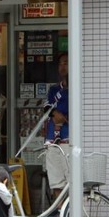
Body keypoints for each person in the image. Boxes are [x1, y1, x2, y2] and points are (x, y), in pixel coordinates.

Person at [43, 52, 69, 199]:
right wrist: (54, 114)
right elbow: (47, 107)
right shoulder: (54, 89)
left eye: (66, 63)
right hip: (52, 139)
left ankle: (72, 213)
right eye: (60, 64)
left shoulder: (77, 88)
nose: (62, 67)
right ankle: (60, 211)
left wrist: (59, 114)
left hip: (69, 138)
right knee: (55, 179)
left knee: (71, 178)